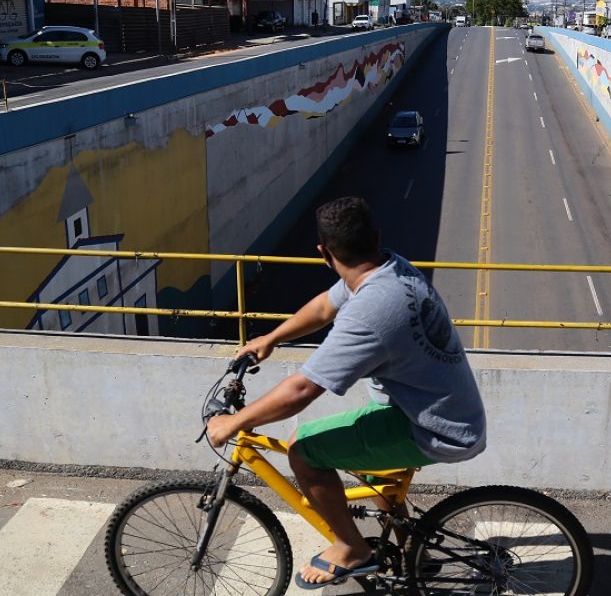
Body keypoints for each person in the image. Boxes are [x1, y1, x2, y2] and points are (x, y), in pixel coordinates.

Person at [207, 196, 486, 589]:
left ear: (323, 251)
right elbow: (325, 305)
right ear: (375, 237)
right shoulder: (388, 267)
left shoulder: (371, 311)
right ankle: (412, 555)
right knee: (376, 471)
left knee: (304, 452)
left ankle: (351, 548)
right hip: (432, 407)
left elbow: (302, 389)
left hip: (435, 427)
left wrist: (235, 421)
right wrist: (271, 338)